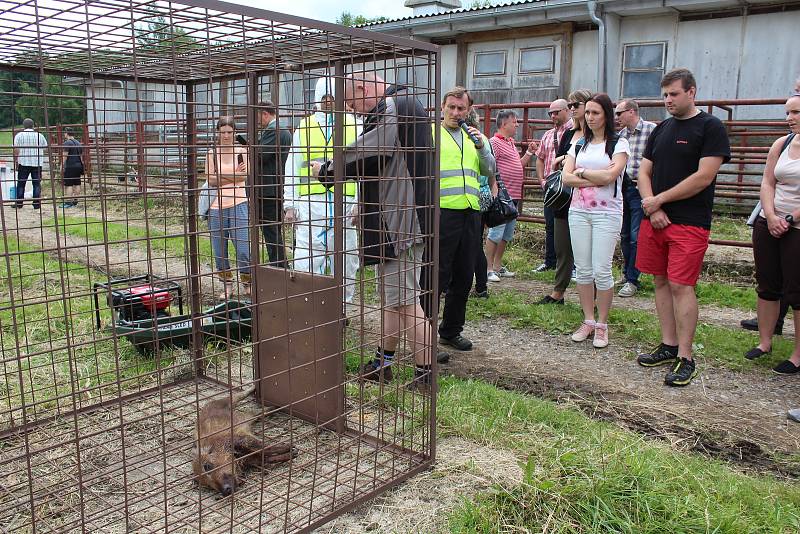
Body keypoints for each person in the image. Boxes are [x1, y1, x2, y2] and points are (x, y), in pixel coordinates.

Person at [311, 72, 435, 389]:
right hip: (399, 218)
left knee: (407, 302)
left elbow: (372, 151)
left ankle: (425, 376)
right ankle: (382, 363)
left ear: (365, 88)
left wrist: (326, 169)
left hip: (401, 224)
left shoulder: (394, 105)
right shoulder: (403, 104)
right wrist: (364, 206)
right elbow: (388, 166)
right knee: (393, 299)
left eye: (352, 103)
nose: (353, 111)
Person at [636, 68, 731, 387]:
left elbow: (704, 176)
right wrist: (653, 205)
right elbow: (643, 173)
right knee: (660, 281)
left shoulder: (711, 127)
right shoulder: (661, 129)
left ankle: (686, 356)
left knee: (681, 285)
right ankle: (668, 344)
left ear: (692, 91)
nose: (668, 100)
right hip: (656, 220)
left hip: (689, 221)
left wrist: (659, 201)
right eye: (665, 95)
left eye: (674, 94)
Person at [562, 93, 630, 349]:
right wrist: (594, 177)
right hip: (578, 212)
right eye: (587, 112)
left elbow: (611, 176)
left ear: (606, 116)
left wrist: (582, 172)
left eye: (595, 113)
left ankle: (602, 324)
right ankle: (588, 319)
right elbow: (566, 179)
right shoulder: (578, 143)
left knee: (602, 270)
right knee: (583, 269)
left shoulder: (619, 143)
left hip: (607, 214)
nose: (590, 118)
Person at [284, 78, 361, 303]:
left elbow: (364, 167)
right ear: (317, 100)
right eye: (324, 99)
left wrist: (360, 200)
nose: (328, 103)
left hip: (344, 204)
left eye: (332, 98)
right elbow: (292, 166)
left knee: (346, 258)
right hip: (311, 204)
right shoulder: (304, 127)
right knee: (307, 258)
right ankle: (308, 305)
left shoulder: (354, 125)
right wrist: (290, 203)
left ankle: (341, 306)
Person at [432, 87, 496, 353]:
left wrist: (481, 147)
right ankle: (424, 335)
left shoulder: (477, 138)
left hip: (471, 213)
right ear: (443, 108)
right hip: (442, 213)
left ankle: (450, 331)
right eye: (451, 108)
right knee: (436, 275)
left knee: (463, 276)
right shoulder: (431, 134)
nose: (456, 113)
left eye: (461, 109)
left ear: (469, 111)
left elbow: (489, 169)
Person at [744, 94, 800, 375]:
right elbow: (767, 182)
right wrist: (772, 215)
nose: (789, 118)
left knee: (797, 290)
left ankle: (798, 354)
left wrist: (789, 219)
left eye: (796, 112)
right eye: (788, 112)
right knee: (767, 284)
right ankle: (765, 342)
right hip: (769, 221)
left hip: (796, 227)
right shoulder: (782, 143)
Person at [534, 92, 586, 305]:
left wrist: (564, 159)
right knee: (562, 245)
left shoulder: (598, 135)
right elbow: (555, 162)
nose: (573, 108)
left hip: (586, 195)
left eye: (576, 104)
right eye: (571, 104)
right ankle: (558, 292)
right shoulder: (567, 134)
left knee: (585, 250)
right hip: (564, 195)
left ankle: (591, 299)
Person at [485, 110, 535, 282]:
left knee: (506, 234)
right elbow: (490, 166)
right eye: (514, 122)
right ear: (504, 124)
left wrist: (528, 153)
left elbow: (518, 165)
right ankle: (488, 268)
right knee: (496, 232)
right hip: (502, 195)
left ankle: (498, 266)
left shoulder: (511, 143)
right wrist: (495, 189)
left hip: (513, 194)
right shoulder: (494, 143)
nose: (517, 125)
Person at [205, 116, 251, 300]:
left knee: (243, 248)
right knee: (219, 250)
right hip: (216, 206)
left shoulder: (241, 151)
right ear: (218, 133)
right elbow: (210, 179)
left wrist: (221, 176)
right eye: (222, 132)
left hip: (239, 203)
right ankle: (227, 286)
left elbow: (244, 176)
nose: (225, 135)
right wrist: (233, 175)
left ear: (234, 133)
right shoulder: (211, 154)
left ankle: (247, 282)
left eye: (229, 132)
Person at [615, 99, 655, 298]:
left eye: (620, 113)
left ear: (631, 112)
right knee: (624, 234)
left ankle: (633, 278)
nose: (617, 117)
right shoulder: (621, 135)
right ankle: (627, 274)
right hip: (623, 187)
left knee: (635, 235)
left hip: (640, 187)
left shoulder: (651, 130)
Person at [533, 100, 570, 273]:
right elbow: (540, 158)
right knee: (550, 224)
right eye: (550, 113)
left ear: (567, 110)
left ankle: (571, 265)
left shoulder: (576, 131)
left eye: (556, 112)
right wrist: (542, 180)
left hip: (570, 186)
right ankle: (550, 261)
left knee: (570, 225)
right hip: (552, 187)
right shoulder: (548, 134)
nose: (553, 116)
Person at [256, 100, 291, 267]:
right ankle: (280, 266)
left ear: (265, 113)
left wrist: (249, 149)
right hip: (276, 187)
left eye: (258, 116)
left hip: (268, 189)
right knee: (274, 231)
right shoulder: (282, 131)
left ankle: (279, 268)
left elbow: (260, 156)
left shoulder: (273, 130)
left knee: (271, 232)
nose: (257, 121)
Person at [13, 118, 48, 210]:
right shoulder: (40, 135)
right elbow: (45, 147)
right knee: (36, 183)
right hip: (37, 162)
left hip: (24, 162)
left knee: (21, 183)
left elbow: (16, 149)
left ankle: (19, 203)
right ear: (33, 125)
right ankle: (36, 203)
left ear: (24, 125)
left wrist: (18, 157)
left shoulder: (19, 135)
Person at [60, 127, 84, 209]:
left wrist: (62, 166)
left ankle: (68, 202)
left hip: (70, 166)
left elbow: (65, 156)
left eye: (64, 133)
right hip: (78, 165)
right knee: (77, 183)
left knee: (69, 184)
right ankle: (75, 200)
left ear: (66, 133)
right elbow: (81, 157)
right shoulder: (78, 143)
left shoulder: (67, 143)